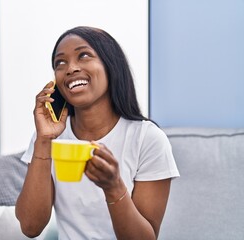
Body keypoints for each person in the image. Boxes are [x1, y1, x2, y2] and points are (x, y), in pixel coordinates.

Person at [15, 26, 180, 240]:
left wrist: (113, 187)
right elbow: (30, 227)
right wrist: (44, 141)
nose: (70, 68)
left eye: (83, 55)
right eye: (60, 63)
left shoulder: (147, 139)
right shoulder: (48, 137)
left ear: (111, 66)